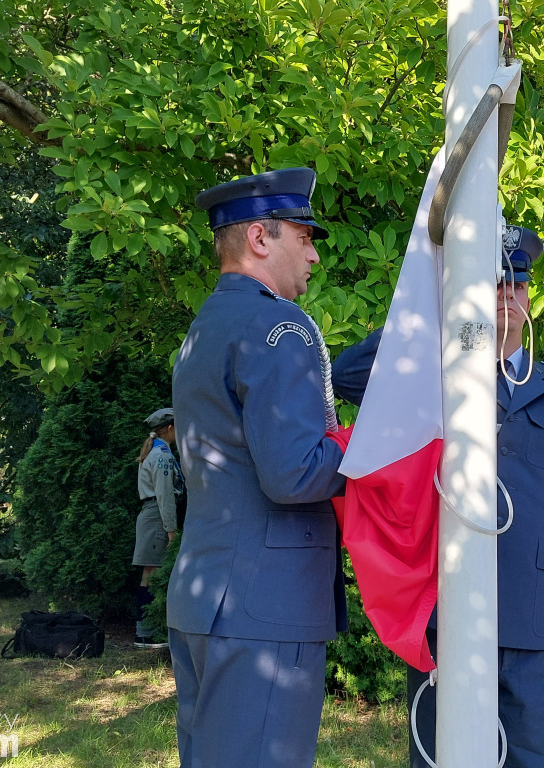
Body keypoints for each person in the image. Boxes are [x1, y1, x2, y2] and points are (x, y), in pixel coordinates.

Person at [333, 225, 544, 768]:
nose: (506, 294)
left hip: (535, 610)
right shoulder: (434, 374)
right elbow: (348, 376)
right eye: (491, 284)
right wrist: (433, 306)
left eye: (516, 286)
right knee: (441, 755)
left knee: (528, 757)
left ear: (530, 298)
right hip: (450, 606)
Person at [167, 167, 347, 768]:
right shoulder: (280, 326)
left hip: (207, 595)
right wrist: (371, 452)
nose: (315, 256)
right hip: (266, 604)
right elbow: (294, 472)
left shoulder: (207, 326)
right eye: (305, 237)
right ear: (261, 240)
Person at [132, 406, 183, 649]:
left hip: (154, 515)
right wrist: (171, 532)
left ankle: (148, 631)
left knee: (151, 574)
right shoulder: (162, 455)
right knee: (152, 574)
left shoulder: (158, 450)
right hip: (157, 517)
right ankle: (146, 633)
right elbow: (164, 495)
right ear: (170, 428)